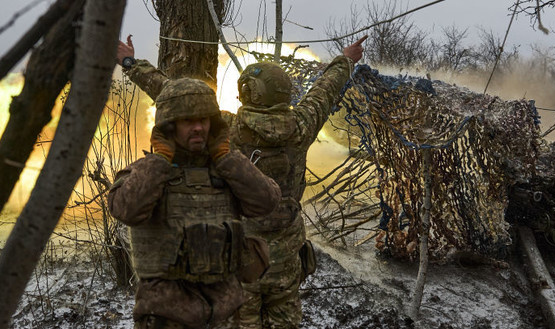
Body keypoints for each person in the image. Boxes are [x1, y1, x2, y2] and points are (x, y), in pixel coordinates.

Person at [116, 36, 365, 328]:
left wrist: (130, 64)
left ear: (248, 92)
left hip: (244, 255)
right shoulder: (303, 125)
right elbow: (326, 89)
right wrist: (346, 59)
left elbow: (173, 95)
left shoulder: (228, 129)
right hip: (287, 256)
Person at [108, 77, 281, 329]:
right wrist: (160, 161)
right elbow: (126, 209)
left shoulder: (228, 170)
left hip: (225, 315)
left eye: (204, 120)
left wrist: (226, 158)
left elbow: (266, 202)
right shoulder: (148, 172)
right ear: (169, 126)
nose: (198, 128)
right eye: (188, 121)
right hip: (166, 317)